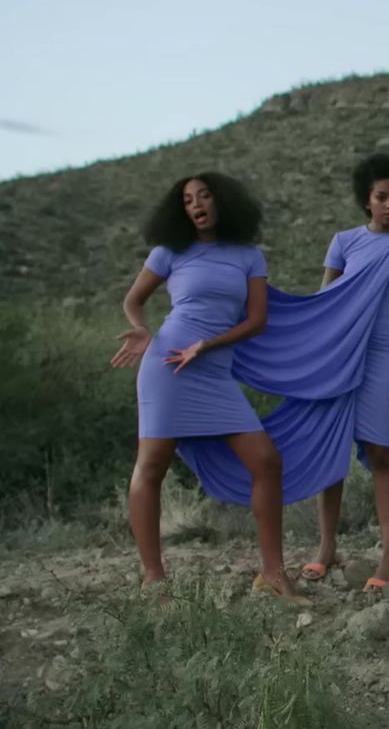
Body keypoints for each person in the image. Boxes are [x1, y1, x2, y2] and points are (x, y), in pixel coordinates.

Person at [111, 172, 304, 602]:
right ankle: (154, 579)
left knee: (266, 461)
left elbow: (257, 321)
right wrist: (140, 329)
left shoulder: (249, 257)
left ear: (221, 202)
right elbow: (132, 300)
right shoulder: (170, 252)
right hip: (167, 365)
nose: (196, 204)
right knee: (151, 466)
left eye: (204, 196)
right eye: (187, 200)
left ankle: (273, 573)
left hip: (213, 370)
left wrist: (209, 344)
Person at [302, 154, 389, 593]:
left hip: (384, 357)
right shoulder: (343, 242)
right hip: (342, 357)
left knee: (382, 455)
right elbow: (324, 302)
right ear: (366, 200)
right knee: (332, 454)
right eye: (382, 197)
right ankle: (326, 548)